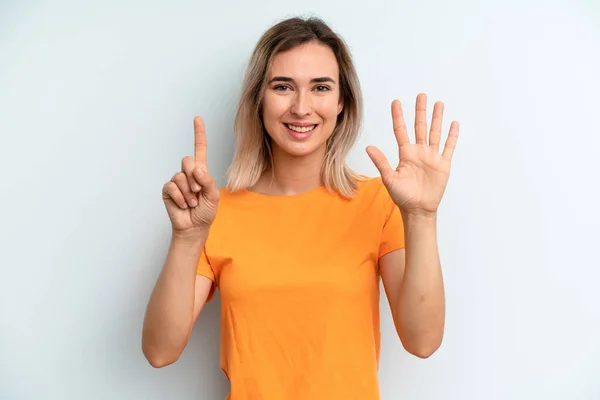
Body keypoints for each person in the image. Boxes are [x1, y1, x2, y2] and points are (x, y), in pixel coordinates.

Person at [142, 16, 459, 400]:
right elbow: (160, 351)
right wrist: (187, 237)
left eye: (320, 87)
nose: (301, 107)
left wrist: (422, 217)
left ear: (342, 102)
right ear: (259, 99)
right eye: (282, 87)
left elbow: (422, 341)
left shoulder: (380, 203)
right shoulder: (212, 212)